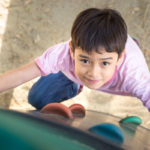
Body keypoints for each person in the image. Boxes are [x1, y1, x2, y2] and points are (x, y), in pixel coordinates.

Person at [0, 8, 150, 111]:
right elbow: (21, 74)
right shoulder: (62, 54)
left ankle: (130, 43)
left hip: (126, 60)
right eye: (85, 60)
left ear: (120, 58)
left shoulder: (134, 75)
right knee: (36, 99)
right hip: (73, 70)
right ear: (72, 50)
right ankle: (75, 83)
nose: (93, 73)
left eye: (105, 63)